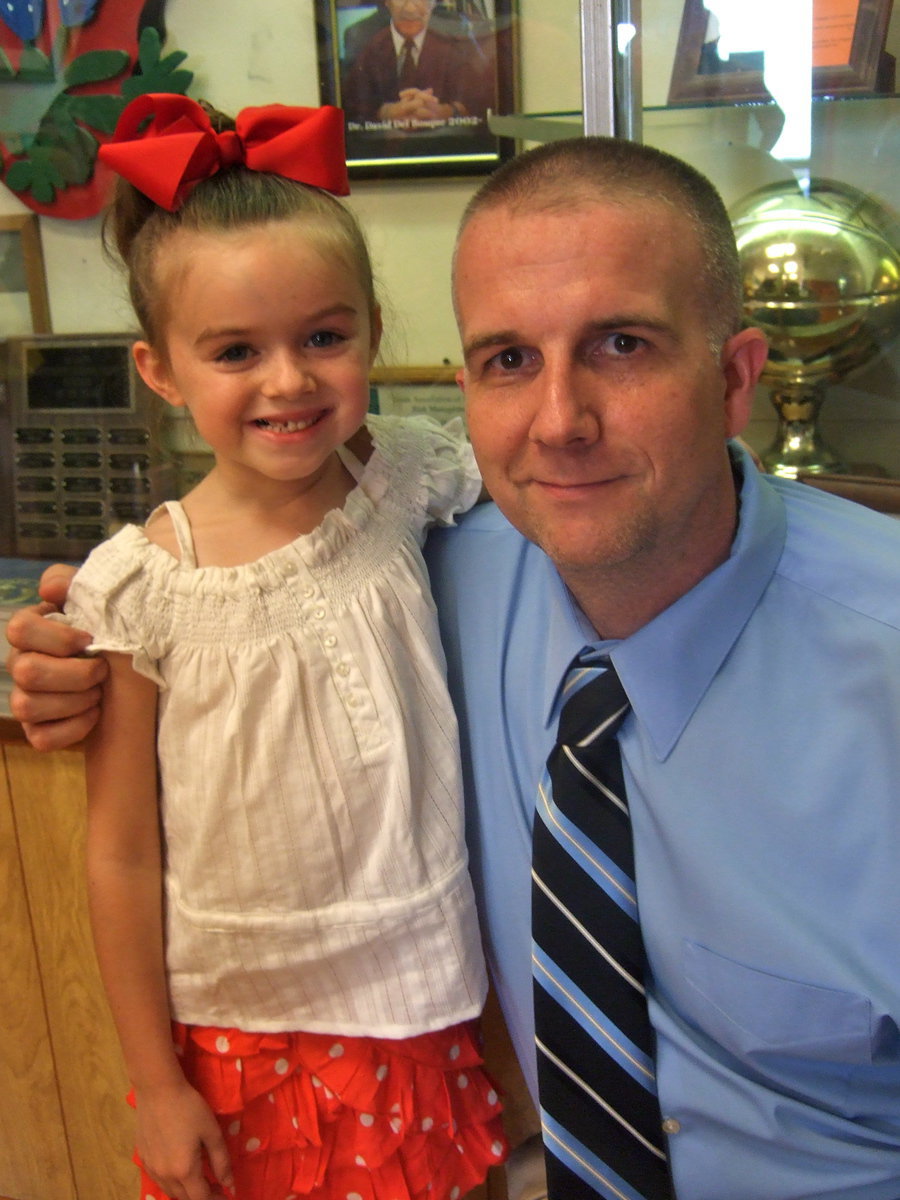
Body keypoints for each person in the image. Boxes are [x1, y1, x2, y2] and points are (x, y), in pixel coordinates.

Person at [9, 136, 900, 1200]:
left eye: (621, 344)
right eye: (509, 360)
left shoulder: (875, 670)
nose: (559, 424)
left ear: (738, 375)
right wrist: (77, 656)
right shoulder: (436, 563)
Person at [19, 92, 508, 1200]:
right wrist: (155, 1082)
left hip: (422, 997)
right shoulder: (143, 589)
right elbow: (122, 853)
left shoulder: (412, 481)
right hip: (240, 1034)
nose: (288, 381)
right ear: (161, 370)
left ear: (372, 331)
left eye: (323, 338)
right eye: (236, 350)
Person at [341, 0, 491, 127]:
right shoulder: (362, 38)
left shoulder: (458, 34)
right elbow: (350, 107)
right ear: (387, 2)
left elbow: (483, 100)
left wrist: (448, 112)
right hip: (384, 147)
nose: (410, 9)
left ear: (434, 3)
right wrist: (384, 113)